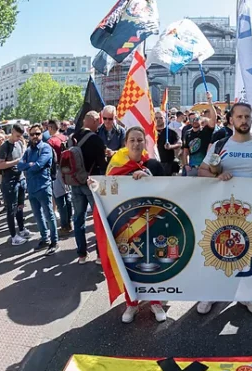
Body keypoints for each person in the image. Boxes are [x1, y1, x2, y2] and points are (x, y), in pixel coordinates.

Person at [196, 102, 252, 317]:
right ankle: (211, 293)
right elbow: (202, 171)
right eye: (239, 117)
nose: (244, 121)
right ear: (231, 120)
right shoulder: (220, 145)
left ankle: (245, 294)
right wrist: (217, 176)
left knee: (248, 251)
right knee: (219, 250)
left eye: (247, 117)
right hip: (223, 210)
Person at [105, 126, 167, 324]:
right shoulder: (115, 166)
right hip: (126, 224)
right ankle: (131, 303)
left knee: (153, 263)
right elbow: (108, 191)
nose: (136, 143)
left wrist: (150, 179)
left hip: (153, 223)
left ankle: (155, 302)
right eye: (132, 140)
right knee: (129, 263)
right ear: (126, 143)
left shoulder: (154, 165)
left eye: (140, 140)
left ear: (145, 143)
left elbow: (168, 191)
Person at [69, 111, 107, 265]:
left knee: (79, 219)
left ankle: (82, 254)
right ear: (93, 120)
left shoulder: (72, 138)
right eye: (98, 121)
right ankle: (99, 255)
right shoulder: (96, 139)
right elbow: (102, 165)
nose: (99, 124)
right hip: (92, 183)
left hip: (74, 183)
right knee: (97, 219)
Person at [18, 124, 59, 255]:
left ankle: (54, 241)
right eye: (32, 134)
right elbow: (19, 166)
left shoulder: (46, 148)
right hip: (31, 188)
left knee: (49, 215)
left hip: (43, 186)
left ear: (42, 134)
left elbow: (39, 165)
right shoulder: (29, 150)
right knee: (37, 215)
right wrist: (29, 165)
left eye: (37, 134)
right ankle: (44, 238)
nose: (35, 136)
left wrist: (28, 166)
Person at [47, 120, 72, 235]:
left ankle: (64, 225)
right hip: (69, 170)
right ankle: (69, 222)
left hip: (57, 171)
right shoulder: (65, 137)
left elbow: (49, 160)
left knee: (59, 198)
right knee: (68, 197)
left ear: (51, 128)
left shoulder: (50, 141)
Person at [183, 92, 216, 176]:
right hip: (192, 168)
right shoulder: (188, 133)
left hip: (205, 168)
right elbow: (185, 151)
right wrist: (186, 165)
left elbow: (213, 119)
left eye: (196, 119)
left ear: (200, 119)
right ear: (189, 121)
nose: (194, 121)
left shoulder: (205, 130)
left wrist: (210, 102)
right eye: (191, 120)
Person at [155, 111, 181, 176]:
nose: (158, 120)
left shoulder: (171, 132)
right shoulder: (151, 132)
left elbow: (179, 143)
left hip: (168, 163)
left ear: (165, 119)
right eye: (156, 118)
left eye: (160, 118)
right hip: (154, 163)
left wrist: (171, 146)